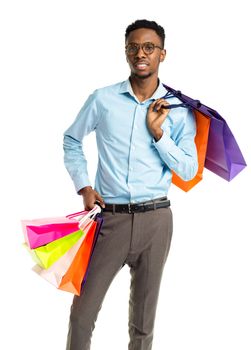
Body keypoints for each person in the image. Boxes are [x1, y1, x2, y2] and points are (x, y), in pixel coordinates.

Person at [63, 19, 198, 350]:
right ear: (126, 52)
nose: (141, 53)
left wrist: (159, 135)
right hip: (111, 219)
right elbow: (71, 140)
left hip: (156, 220)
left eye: (149, 47)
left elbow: (188, 168)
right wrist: (84, 187)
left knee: (142, 325)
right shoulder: (103, 100)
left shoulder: (179, 110)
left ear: (162, 55)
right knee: (82, 314)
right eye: (134, 47)